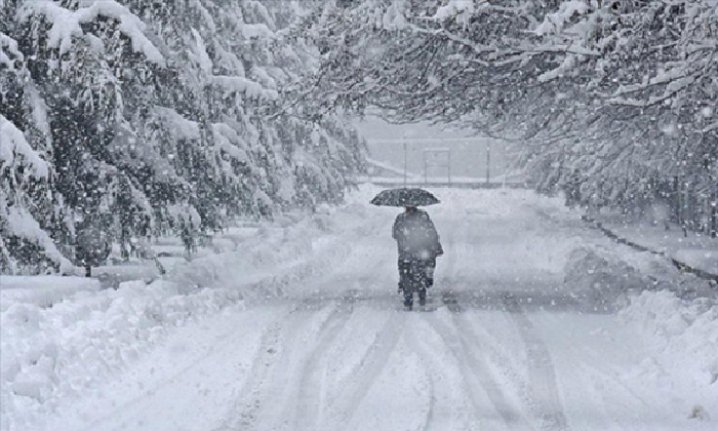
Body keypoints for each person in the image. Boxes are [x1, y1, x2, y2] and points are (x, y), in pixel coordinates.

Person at [392, 206, 443, 309]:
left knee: (405, 273)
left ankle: (408, 297)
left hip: (406, 252)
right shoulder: (423, 217)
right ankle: (421, 294)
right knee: (421, 272)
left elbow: (395, 234)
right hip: (420, 251)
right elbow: (431, 232)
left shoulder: (401, 218)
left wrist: (404, 238)